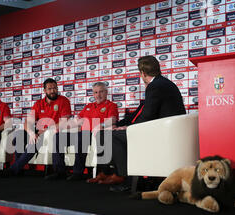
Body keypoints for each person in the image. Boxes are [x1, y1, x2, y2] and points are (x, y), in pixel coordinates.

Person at [98, 55, 186, 191]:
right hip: (167, 130)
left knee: (108, 136)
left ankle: (126, 179)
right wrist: (123, 125)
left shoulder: (154, 86)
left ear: (143, 73)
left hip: (161, 133)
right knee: (110, 133)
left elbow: (147, 116)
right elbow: (144, 113)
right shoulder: (163, 83)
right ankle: (128, 176)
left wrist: (128, 128)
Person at [0, 78, 71, 178]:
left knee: (34, 142)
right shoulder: (38, 104)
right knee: (20, 136)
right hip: (39, 132)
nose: (53, 91)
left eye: (55, 88)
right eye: (50, 89)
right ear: (44, 90)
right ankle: (19, 169)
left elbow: (64, 122)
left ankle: (13, 170)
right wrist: (31, 133)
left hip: (54, 132)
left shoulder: (63, 101)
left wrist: (45, 130)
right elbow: (28, 122)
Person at [49, 81, 119, 181]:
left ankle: (78, 172)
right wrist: (62, 126)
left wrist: (101, 125)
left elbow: (113, 119)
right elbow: (76, 121)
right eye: (95, 92)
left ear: (106, 92)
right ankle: (59, 171)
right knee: (58, 137)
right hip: (82, 134)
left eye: (101, 92)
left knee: (81, 135)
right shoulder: (88, 106)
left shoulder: (111, 105)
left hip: (96, 135)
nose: (98, 95)